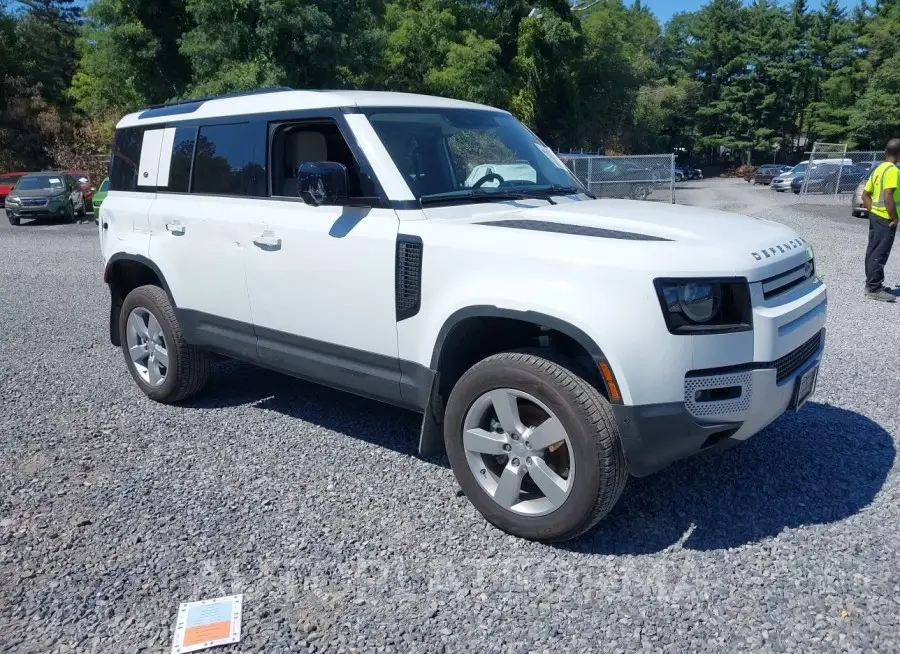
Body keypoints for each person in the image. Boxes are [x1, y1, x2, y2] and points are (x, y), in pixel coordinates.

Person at [862, 139, 900, 302]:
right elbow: (887, 196)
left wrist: (873, 212)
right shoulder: (892, 170)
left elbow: (865, 194)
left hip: (877, 216)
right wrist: (894, 218)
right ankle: (874, 288)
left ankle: (872, 283)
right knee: (880, 252)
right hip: (885, 218)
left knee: (873, 251)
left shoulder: (879, 168)